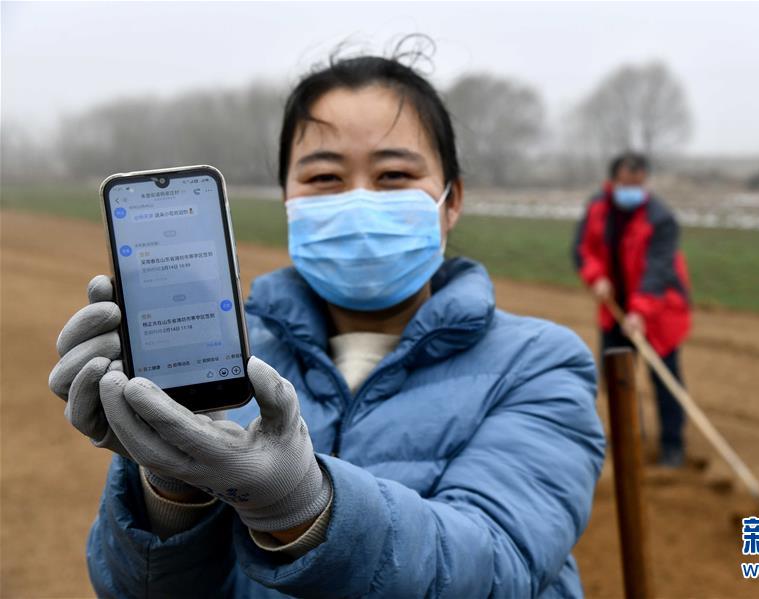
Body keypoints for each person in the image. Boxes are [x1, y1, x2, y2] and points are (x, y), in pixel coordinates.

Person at [48, 45, 605, 598]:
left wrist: (305, 508)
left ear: (451, 200)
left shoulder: (540, 363)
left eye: (393, 174)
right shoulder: (229, 359)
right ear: (288, 200)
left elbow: (498, 567)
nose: (358, 200)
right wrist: (172, 486)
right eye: (324, 177)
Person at [573, 152, 691, 467]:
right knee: (617, 377)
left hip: (658, 312)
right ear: (614, 181)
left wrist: (639, 312)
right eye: (627, 184)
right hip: (613, 309)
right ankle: (628, 438)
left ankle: (672, 446)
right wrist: (596, 277)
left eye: (638, 184)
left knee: (666, 380)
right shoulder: (597, 209)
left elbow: (659, 270)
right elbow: (582, 250)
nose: (633, 191)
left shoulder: (661, 219)